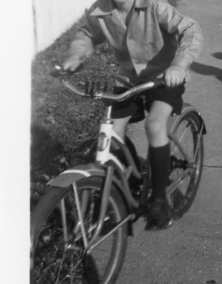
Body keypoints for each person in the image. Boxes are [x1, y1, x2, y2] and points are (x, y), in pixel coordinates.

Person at [63, 0, 203, 230]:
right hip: (129, 80)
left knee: (155, 125)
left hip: (164, 78)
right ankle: (136, 179)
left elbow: (190, 29)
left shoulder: (155, 6)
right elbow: (88, 33)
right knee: (111, 133)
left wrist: (179, 64)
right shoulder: (102, 9)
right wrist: (75, 56)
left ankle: (159, 201)